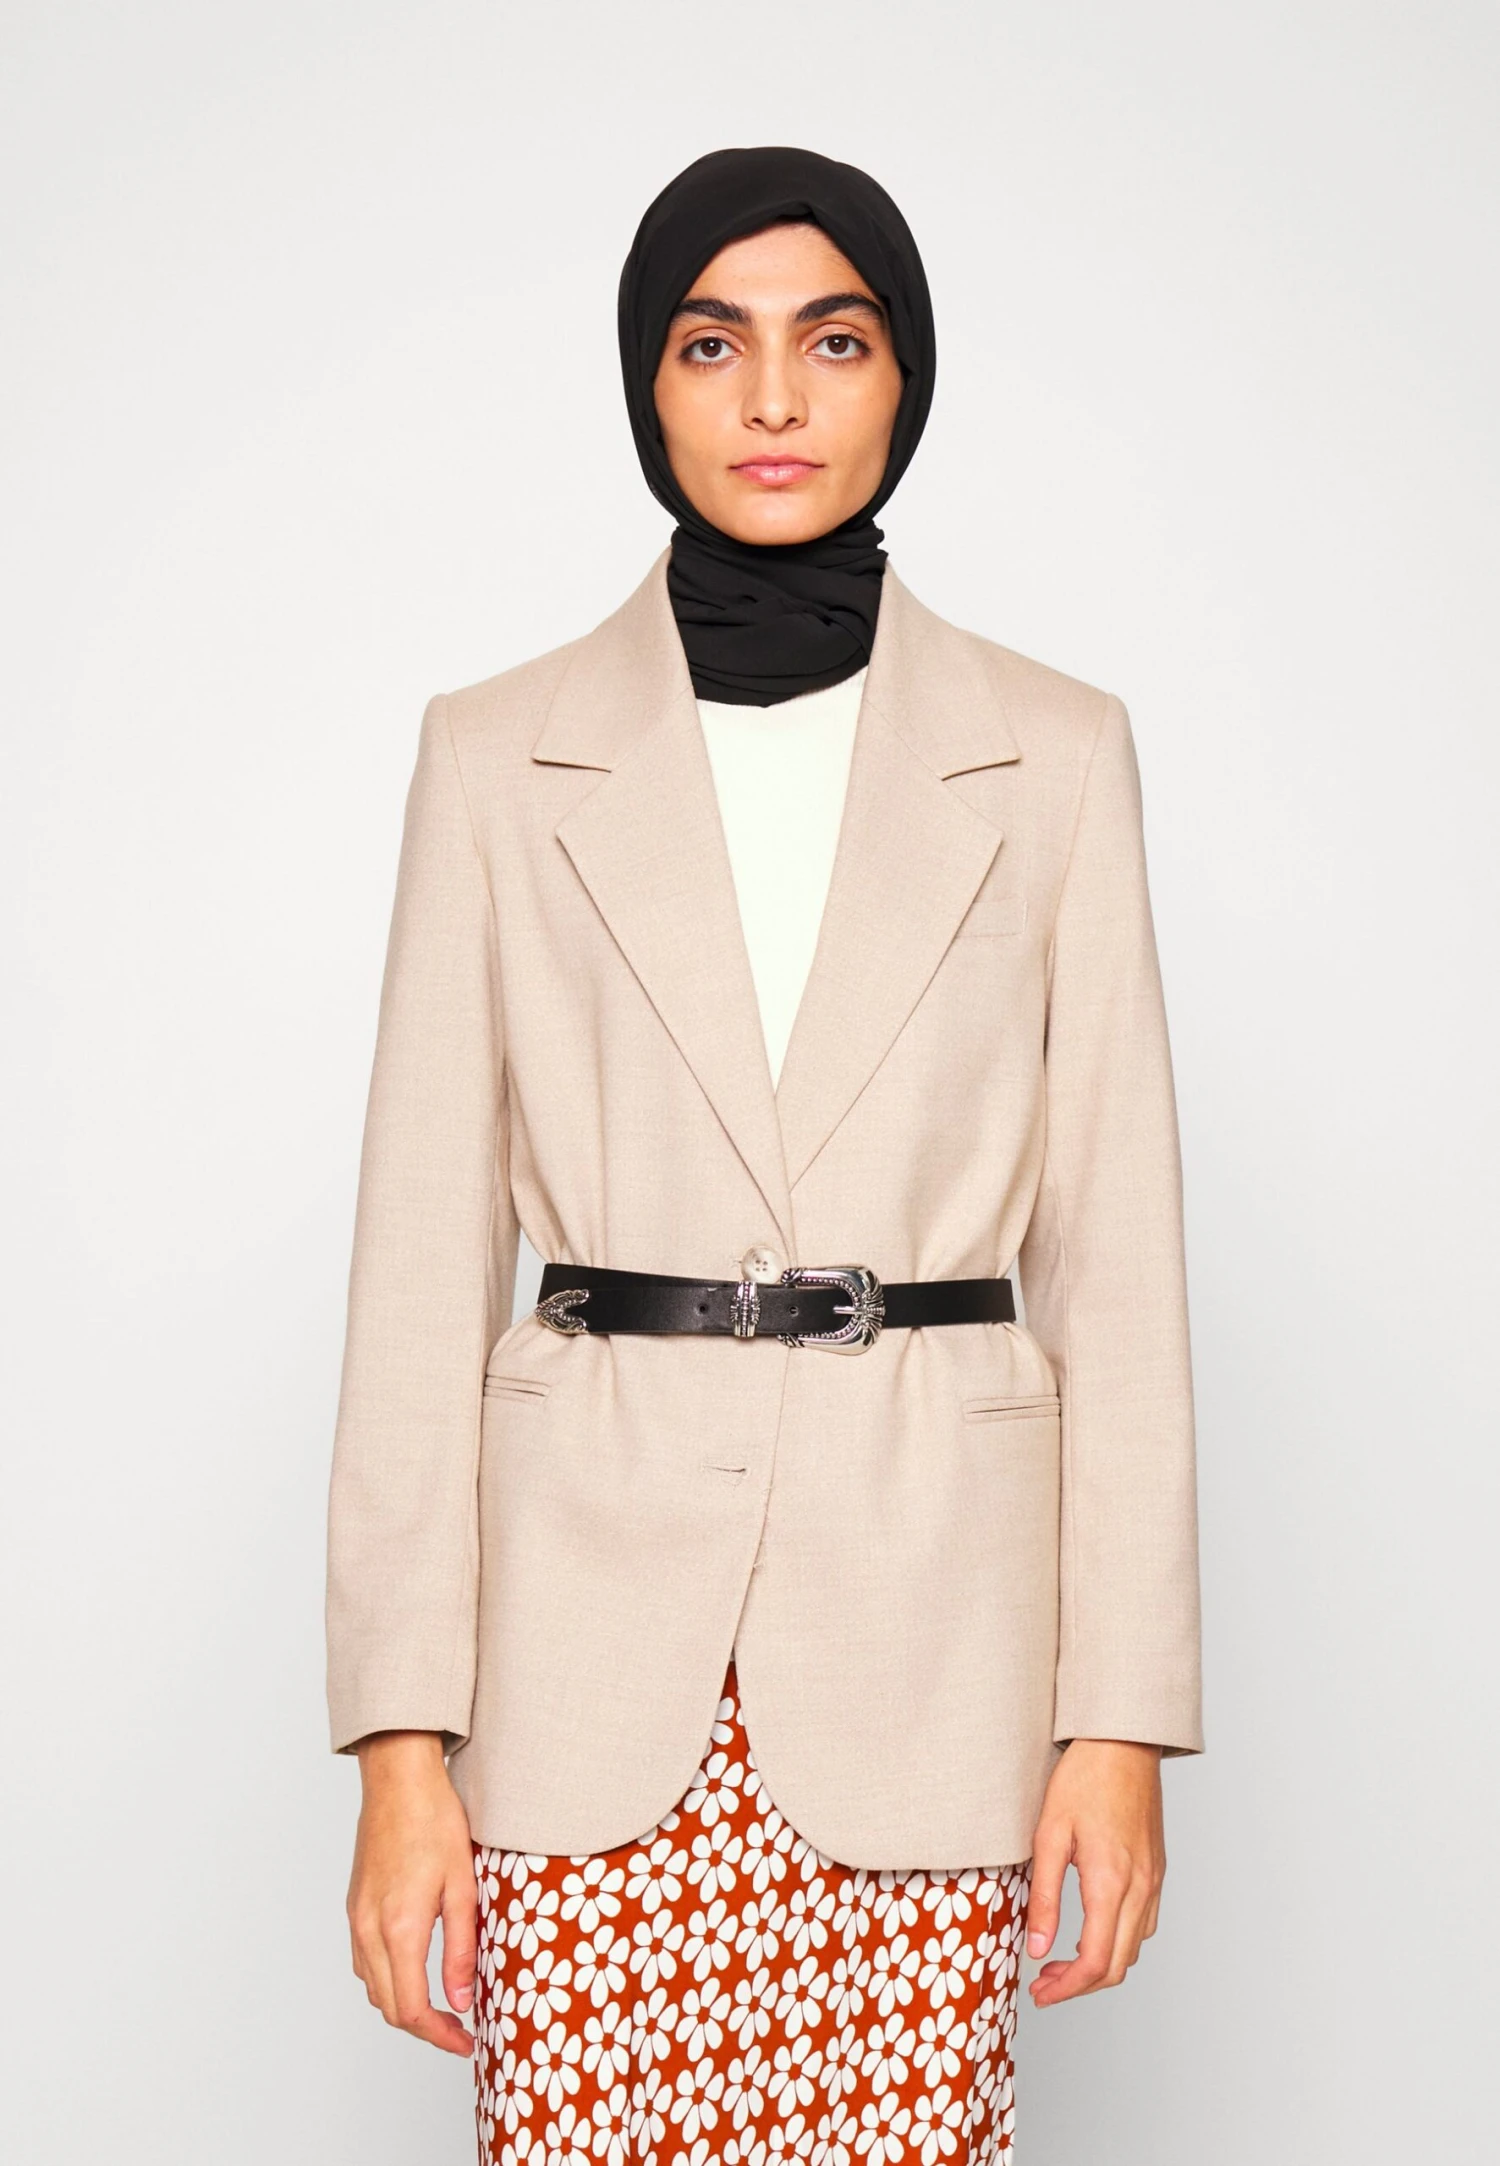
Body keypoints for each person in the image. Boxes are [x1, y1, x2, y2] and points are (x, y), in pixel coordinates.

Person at [326, 145, 1202, 2164]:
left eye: (837, 340)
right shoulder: (493, 751)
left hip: (932, 1645)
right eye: (715, 345)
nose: (778, 397)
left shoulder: (1059, 755)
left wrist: (1121, 1719)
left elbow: (1122, 1260)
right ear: (650, 382)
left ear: (907, 381)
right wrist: (398, 1745)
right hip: (579, 1667)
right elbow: (413, 1264)